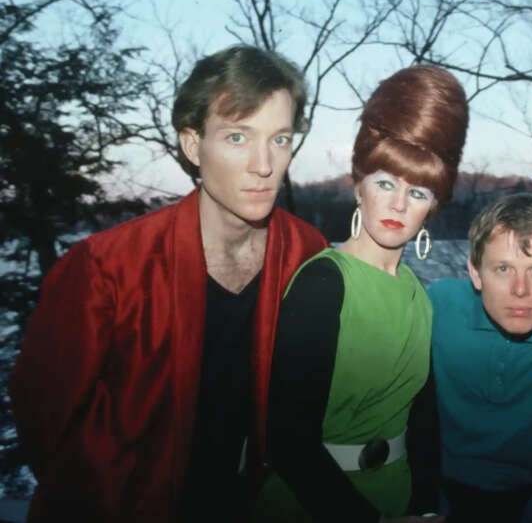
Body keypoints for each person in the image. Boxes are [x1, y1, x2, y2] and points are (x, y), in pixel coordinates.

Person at [10, 45, 328, 522]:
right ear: (193, 145)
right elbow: (44, 418)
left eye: (279, 139)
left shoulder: (307, 251)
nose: (264, 165)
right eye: (238, 137)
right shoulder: (106, 267)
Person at [255, 65, 469, 522]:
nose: (397, 204)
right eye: (385, 183)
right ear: (358, 186)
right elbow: (289, 443)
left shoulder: (417, 294)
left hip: (397, 493)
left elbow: (423, 421)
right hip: (313, 505)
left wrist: (427, 507)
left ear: (434, 206)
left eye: (419, 191)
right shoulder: (323, 284)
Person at [411, 194, 532, 523]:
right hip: (437, 489)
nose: (520, 289)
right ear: (476, 274)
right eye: (503, 268)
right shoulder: (440, 306)